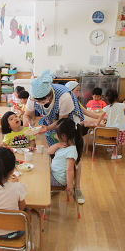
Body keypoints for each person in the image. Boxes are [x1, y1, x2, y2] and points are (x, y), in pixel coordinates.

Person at [23, 69, 85, 203]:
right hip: (51, 124)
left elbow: (62, 122)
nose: (39, 104)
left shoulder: (64, 97)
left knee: (74, 158)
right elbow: (27, 114)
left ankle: (76, 187)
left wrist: (46, 128)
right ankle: (55, 182)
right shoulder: (33, 96)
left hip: (67, 125)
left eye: (42, 101)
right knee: (56, 154)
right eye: (36, 102)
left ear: (49, 94)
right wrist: (28, 122)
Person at [48, 118, 83, 197]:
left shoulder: (71, 151)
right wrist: (57, 145)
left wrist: (70, 187)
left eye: (56, 133)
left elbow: (69, 170)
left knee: (37, 178)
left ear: (63, 135)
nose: (55, 136)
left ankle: (39, 201)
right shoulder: (63, 144)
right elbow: (49, 151)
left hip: (57, 179)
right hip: (54, 174)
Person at [96, 89, 125, 159]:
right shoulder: (122, 105)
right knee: (118, 141)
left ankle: (111, 148)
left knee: (113, 138)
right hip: (121, 127)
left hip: (111, 127)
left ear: (107, 98)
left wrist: (97, 124)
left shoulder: (107, 107)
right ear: (117, 97)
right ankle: (114, 154)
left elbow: (101, 116)